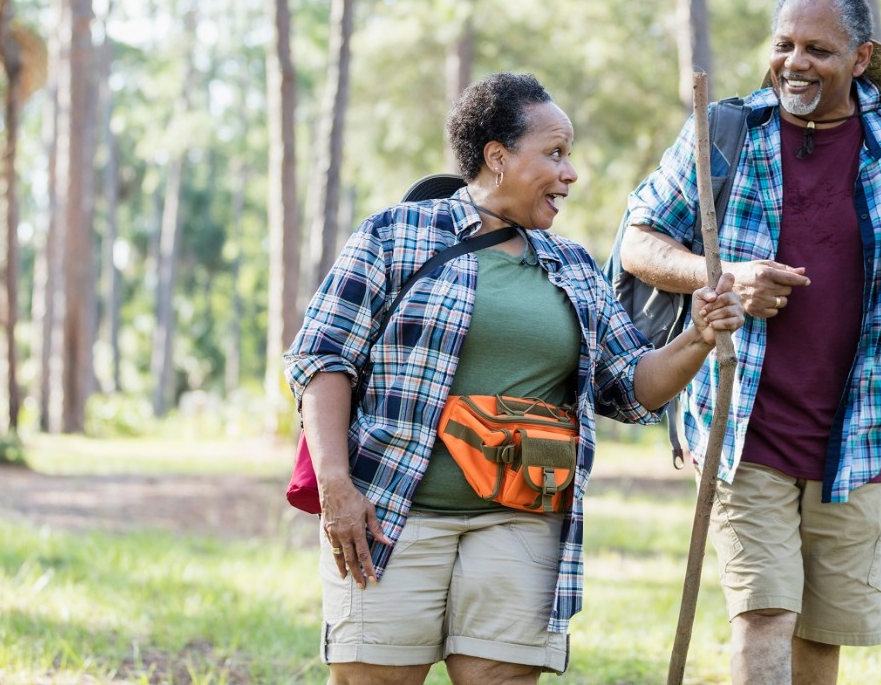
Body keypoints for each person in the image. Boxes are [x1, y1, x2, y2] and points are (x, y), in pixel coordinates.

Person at [285, 72, 745, 685]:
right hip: (391, 516)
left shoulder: (573, 267)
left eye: (569, 155)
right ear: (497, 159)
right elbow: (323, 357)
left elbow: (632, 385)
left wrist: (697, 336)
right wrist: (337, 487)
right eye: (554, 153)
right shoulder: (395, 235)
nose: (570, 173)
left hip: (521, 520)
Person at [619, 0, 881, 685]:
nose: (794, 62)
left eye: (817, 49)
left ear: (860, 59)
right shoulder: (724, 134)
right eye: (784, 44)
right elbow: (636, 241)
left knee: (821, 641)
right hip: (742, 424)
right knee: (763, 615)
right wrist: (722, 275)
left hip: (854, 436)